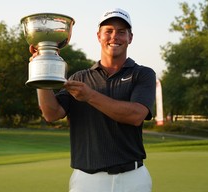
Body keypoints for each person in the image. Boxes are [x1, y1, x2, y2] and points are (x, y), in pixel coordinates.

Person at [29, 8, 156, 192]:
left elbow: (136, 115)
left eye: (122, 32)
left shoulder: (142, 74)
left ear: (130, 37)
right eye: (109, 31)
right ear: (99, 36)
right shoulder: (79, 78)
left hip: (133, 179)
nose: (115, 37)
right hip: (86, 181)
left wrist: (90, 96)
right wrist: (41, 69)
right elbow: (51, 113)